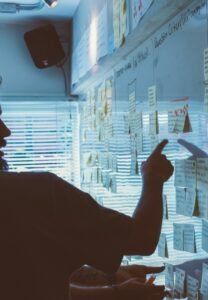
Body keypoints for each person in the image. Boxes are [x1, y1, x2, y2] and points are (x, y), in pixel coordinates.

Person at [0, 104, 174, 300]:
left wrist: (112, 284)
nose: (6, 131)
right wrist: (153, 177)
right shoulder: (40, 192)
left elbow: (30, 286)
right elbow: (142, 238)